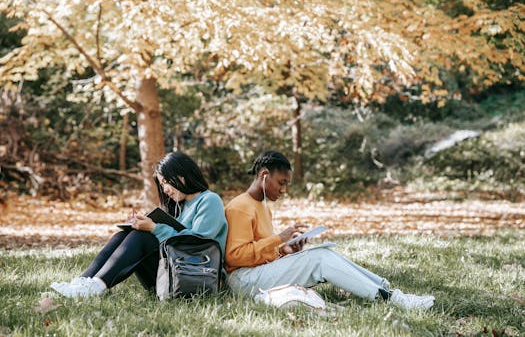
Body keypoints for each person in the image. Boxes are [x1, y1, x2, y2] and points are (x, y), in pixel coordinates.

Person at [224, 150, 434, 310]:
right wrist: (278, 238)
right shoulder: (240, 207)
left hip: (256, 273)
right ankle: (390, 299)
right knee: (319, 258)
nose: (284, 190)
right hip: (242, 282)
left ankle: (387, 290)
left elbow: (258, 254)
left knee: (322, 253)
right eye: (281, 182)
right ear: (264, 175)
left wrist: (284, 251)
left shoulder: (262, 207)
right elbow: (234, 257)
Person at [51, 152, 228, 298]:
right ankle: (83, 282)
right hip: (173, 275)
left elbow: (197, 244)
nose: (165, 189)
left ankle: (96, 286)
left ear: (182, 176)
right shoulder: (179, 206)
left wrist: (154, 228)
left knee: (142, 237)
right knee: (123, 235)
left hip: (198, 278)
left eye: (166, 182)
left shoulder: (209, 200)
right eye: (162, 184)